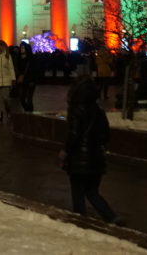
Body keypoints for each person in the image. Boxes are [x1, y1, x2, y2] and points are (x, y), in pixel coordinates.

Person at [61, 75, 120, 224]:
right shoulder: (98, 110)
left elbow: (73, 134)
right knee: (92, 192)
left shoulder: (75, 110)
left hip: (78, 161)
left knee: (78, 192)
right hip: (97, 159)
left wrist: (65, 152)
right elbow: (106, 135)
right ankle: (112, 217)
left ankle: (80, 221)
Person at [13, 41, 37, 112]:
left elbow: (34, 70)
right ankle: (28, 110)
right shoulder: (19, 58)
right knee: (22, 99)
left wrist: (33, 80)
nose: (21, 49)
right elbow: (17, 68)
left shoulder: (31, 58)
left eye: (23, 48)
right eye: (21, 48)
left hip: (30, 81)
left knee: (29, 98)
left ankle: (30, 112)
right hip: (22, 81)